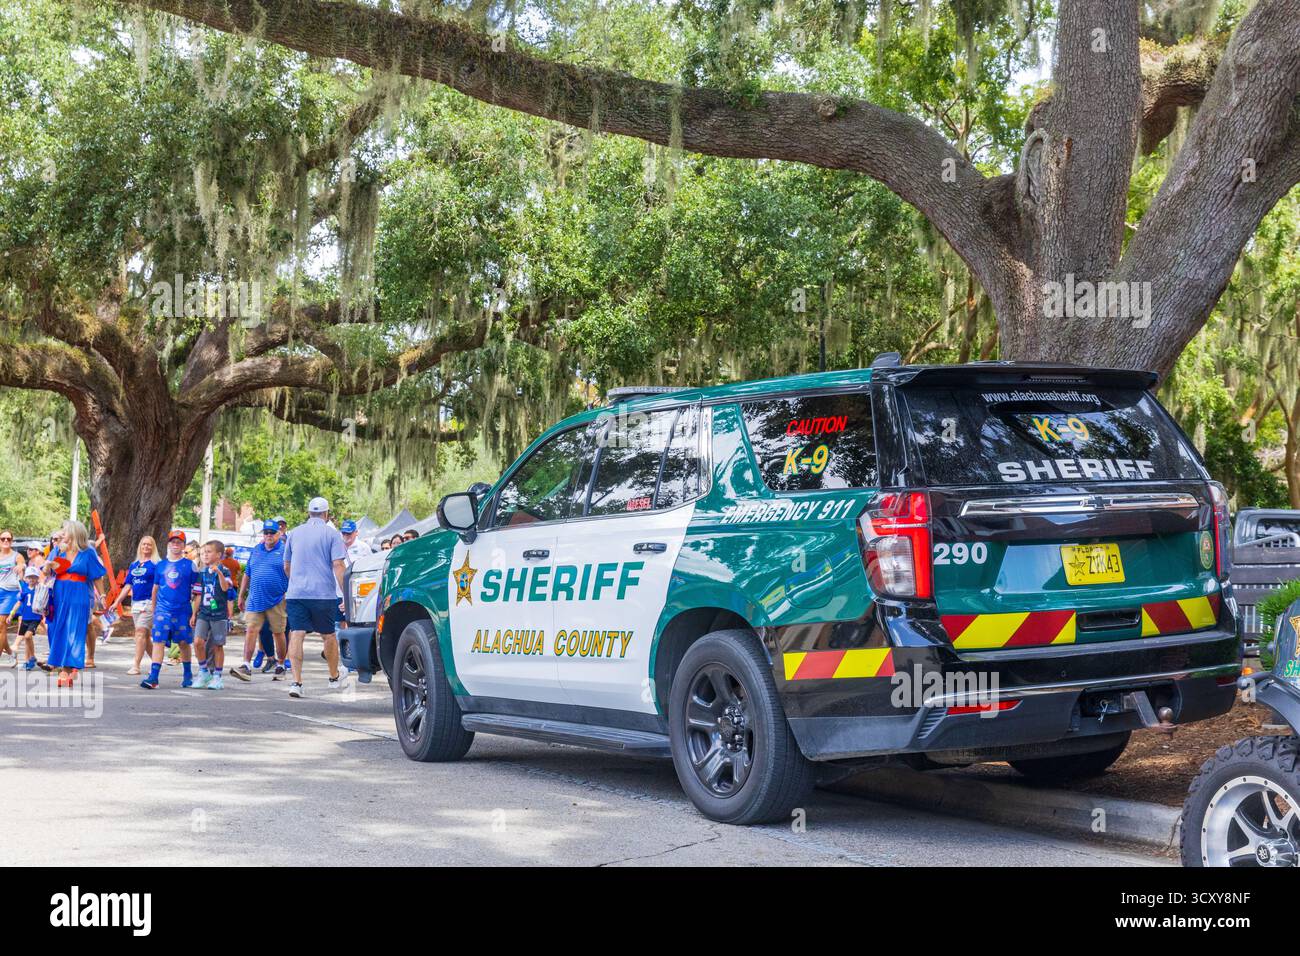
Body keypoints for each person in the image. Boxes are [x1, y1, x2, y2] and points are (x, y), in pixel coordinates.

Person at [283, 497, 347, 698]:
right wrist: (345, 594)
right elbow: (338, 565)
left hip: (297, 593)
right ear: (326, 514)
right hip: (323, 594)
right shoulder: (332, 534)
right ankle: (333, 677)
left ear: (308, 512)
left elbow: (286, 566)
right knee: (328, 635)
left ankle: (296, 682)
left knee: (297, 633)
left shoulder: (294, 533)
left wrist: (296, 582)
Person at [46, 520, 106, 687]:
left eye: (65, 531)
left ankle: (68, 668)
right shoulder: (58, 550)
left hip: (79, 594)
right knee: (60, 628)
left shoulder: (88, 552)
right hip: (59, 593)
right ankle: (62, 667)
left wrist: (102, 596)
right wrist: (48, 566)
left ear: (74, 533)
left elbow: (97, 576)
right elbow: (46, 570)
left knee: (75, 630)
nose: (62, 534)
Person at [139, 530, 200, 690]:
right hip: (162, 611)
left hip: (182, 610)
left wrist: (194, 612)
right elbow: (155, 589)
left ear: (183, 545)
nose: (175, 545)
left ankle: (187, 675)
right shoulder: (161, 565)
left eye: (179, 542)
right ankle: (153, 677)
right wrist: (154, 610)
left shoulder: (190, 565)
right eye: (173, 542)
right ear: (168, 544)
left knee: (183, 643)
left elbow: (197, 591)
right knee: (158, 642)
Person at [233, 520, 289, 681]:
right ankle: (245, 665)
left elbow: (292, 574)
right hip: (255, 599)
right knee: (251, 630)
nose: (269, 536)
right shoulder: (257, 550)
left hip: (277, 599)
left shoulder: (285, 551)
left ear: (279, 534)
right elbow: (247, 573)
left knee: (278, 633)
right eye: (266, 533)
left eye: (272, 533)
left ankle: (280, 665)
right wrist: (241, 594)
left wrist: (289, 593)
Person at [109, 536, 159, 675]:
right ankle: (157, 663)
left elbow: (158, 586)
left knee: (140, 633)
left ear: (153, 547)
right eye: (144, 544)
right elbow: (127, 586)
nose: (146, 547)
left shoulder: (156, 565)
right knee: (145, 636)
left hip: (148, 603)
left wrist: (156, 604)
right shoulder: (134, 565)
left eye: (149, 545)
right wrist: (117, 601)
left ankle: (136, 666)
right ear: (140, 546)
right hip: (135, 603)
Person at [192, 540, 234, 690]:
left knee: (218, 645)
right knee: (197, 642)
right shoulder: (201, 572)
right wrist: (193, 614)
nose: (205, 555)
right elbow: (198, 595)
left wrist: (219, 573)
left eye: (208, 552)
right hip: (204, 612)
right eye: (203, 553)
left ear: (218, 555)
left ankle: (217, 676)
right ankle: (203, 671)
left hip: (219, 614)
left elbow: (225, 588)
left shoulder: (225, 570)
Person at [9, 564, 44, 671]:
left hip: (35, 617)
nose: (32, 579)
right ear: (26, 578)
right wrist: (12, 614)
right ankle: (30, 659)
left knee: (28, 636)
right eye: (29, 577)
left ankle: (32, 657)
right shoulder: (24, 589)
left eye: (34, 577)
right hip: (25, 617)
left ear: (37, 578)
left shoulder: (40, 588)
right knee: (26, 638)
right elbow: (18, 603)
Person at [0, 530, 26, 665]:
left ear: (12, 541)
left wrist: (21, 566)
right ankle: (10, 653)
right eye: (3, 538)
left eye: (8, 539)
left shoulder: (16, 555)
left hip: (10, 593)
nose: (5, 541)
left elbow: (22, 564)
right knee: (1, 628)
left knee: (1, 624)